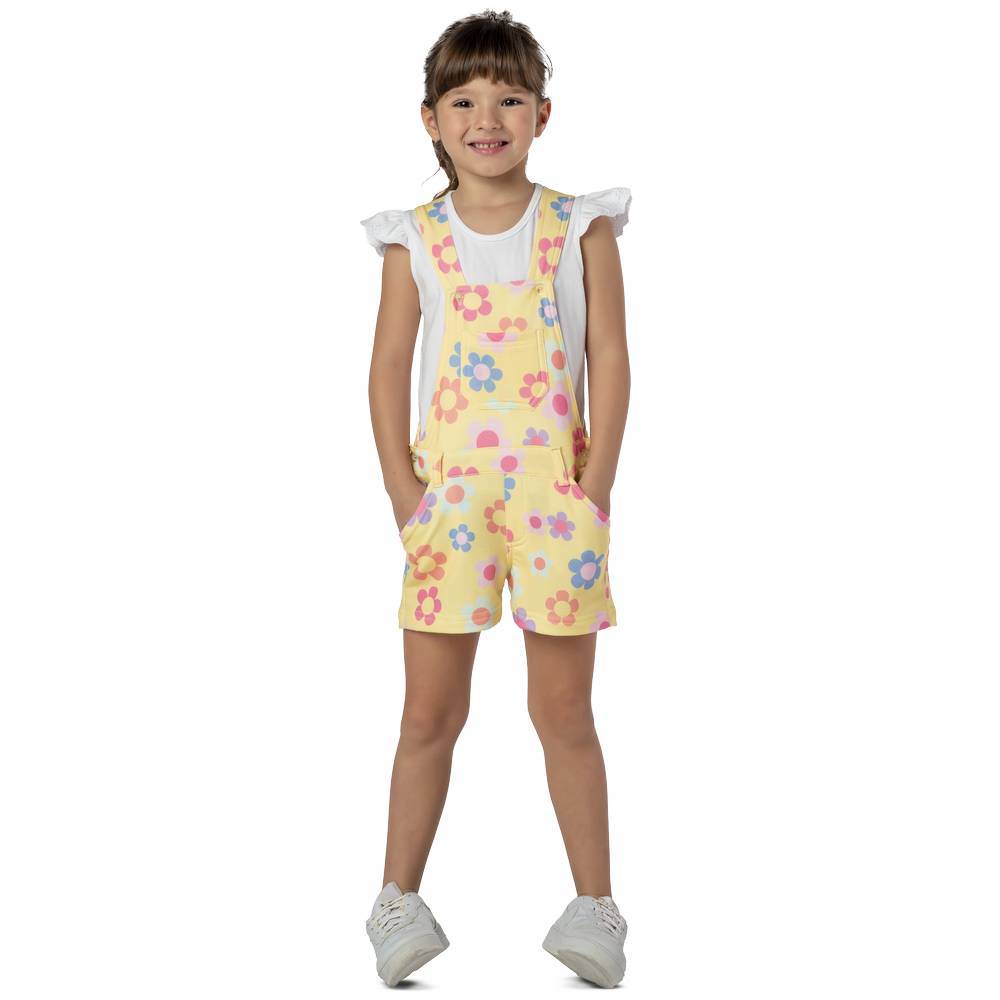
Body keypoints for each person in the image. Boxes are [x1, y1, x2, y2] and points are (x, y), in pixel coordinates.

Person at [360, 9, 631, 989]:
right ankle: (396, 901)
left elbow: (611, 358)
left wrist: (593, 488)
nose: (487, 119)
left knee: (565, 714)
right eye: (464, 101)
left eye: (509, 98)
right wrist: (407, 497)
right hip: (449, 506)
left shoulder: (579, 228)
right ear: (430, 119)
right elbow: (387, 370)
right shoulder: (416, 240)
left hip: (557, 500)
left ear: (541, 114)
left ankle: (596, 908)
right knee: (428, 714)